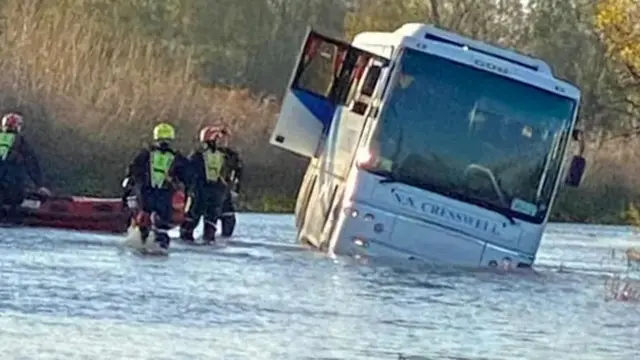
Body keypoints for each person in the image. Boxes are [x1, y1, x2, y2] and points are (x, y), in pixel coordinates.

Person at [124, 123, 189, 250]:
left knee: (150, 220)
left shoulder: (146, 154)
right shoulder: (176, 157)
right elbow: (187, 176)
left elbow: (133, 170)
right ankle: (156, 243)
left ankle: (145, 240)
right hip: (159, 194)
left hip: (150, 193)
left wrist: (129, 186)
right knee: (157, 222)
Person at [179, 125, 231, 243]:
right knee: (210, 227)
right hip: (217, 194)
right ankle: (208, 240)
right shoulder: (225, 156)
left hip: (200, 193)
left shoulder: (197, 156)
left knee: (188, 226)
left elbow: (188, 174)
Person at [0, 112, 50, 222]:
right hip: (12, 189)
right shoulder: (20, 142)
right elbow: (32, 164)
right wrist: (40, 185)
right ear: (17, 127)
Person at [217, 127, 243, 237]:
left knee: (229, 220)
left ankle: (223, 239)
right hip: (208, 190)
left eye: (225, 138)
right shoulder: (205, 154)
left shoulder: (232, 156)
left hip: (224, 190)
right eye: (220, 138)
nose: (223, 141)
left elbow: (239, 173)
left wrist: (236, 189)